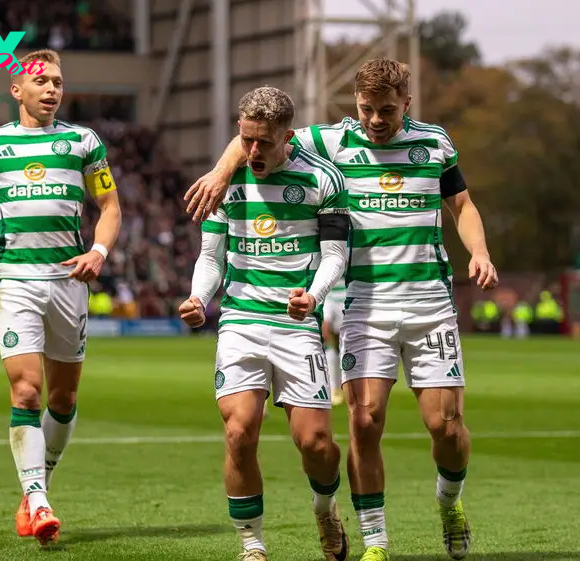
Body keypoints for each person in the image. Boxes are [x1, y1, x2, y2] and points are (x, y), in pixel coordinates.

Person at [183, 58, 498, 561]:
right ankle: (375, 542)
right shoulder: (330, 142)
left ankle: (449, 502)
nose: (376, 119)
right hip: (365, 304)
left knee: (446, 425)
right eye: (368, 109)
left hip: (429, 302)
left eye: (388, 110)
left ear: (407, 105)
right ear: (356, 104)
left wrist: (478, 252)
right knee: (365, 420)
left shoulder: (434, 143)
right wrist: (222, 172)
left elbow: (461, 205)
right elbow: (260, 136)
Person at [0, 49, 122, 545]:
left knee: (64, 399)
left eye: (58, 82)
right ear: (16, 89)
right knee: (26, 392)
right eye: (42, 81)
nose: (52, 89)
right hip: (16, 281)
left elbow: (109, 206)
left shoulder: (82, 141)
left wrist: (100, 250)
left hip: (69, 280)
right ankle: (40, 501)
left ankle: (34, 487)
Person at [178, 86, 352, 561]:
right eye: (246, 139)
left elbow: (337, 254)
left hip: (297, 324)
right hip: (241, 321)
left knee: (316, 443)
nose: (253, 151)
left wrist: (313, 295)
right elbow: (211, 257)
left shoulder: (323, 179)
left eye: (264, 143)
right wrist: (199, 297)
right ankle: (251, 544)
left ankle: (325, 508)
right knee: (239, 431)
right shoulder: (226, 182)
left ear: (287, 136)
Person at [323, 278, 347, 406]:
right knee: (324, 336)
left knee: (343, 345)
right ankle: (333, 389)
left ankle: (343, 385)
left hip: (344, 294)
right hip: (327, 295)